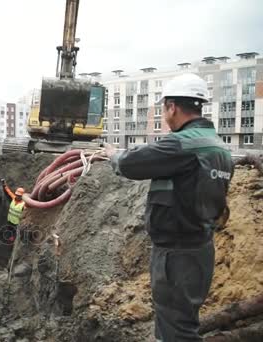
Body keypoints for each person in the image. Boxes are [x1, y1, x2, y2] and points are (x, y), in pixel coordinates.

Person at [104, 73, 234, 342]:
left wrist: (112, 155)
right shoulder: (220, 148)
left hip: (177, 256)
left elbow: (132, 164)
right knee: (182, 323)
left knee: (177, 331)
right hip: (201, 248)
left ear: (172, 107)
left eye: (164, 108)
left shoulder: (182, 143)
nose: (164, 115)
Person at [0, 179, 25, 244]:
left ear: (22, 196)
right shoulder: (13, 198)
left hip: (16, 224)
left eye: (19, 196)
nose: (17, 196)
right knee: (9, 230)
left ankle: (12, 242)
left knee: (14, 234)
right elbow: (8, 191)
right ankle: (9, 238)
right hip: (9, 220)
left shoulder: (23, 205)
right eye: (17, 194)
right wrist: (4, 184)